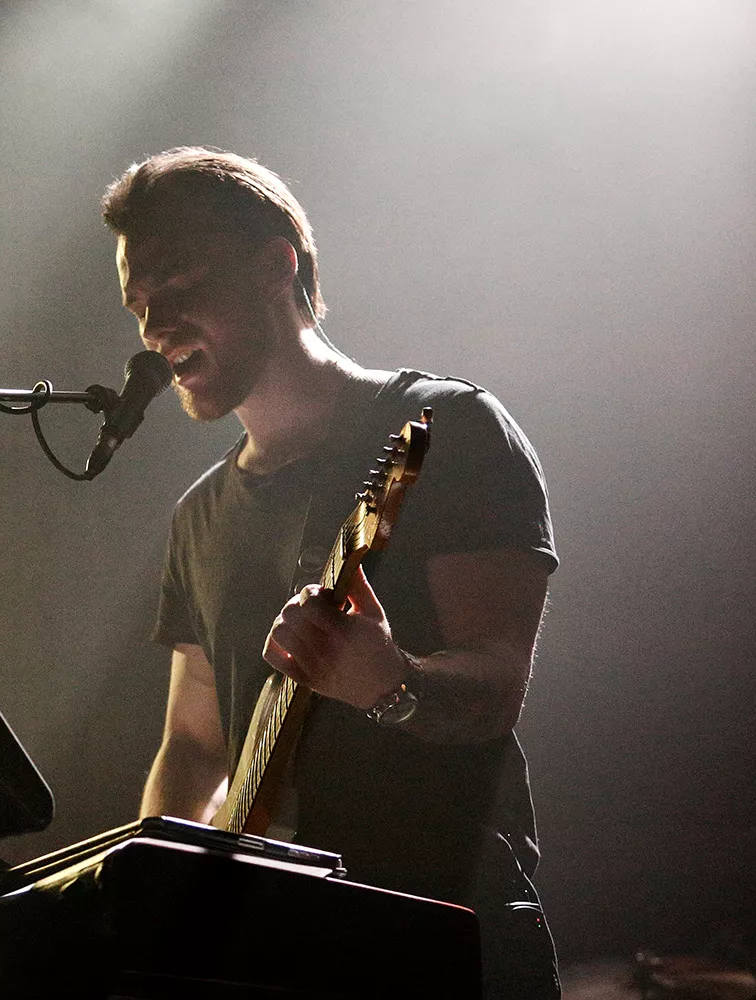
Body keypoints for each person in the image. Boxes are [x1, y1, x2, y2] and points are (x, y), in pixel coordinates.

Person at [105, 147, 560, 999]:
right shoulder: (198, 515)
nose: (152, 325)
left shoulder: (450, 429)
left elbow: (498, 685)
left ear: (276, 265)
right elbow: (196, 749)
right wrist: (148, 918)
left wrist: (390, 682)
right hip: (274, 954)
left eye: (174, 284)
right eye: (137, 304)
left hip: (443, 939)